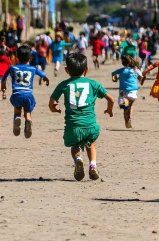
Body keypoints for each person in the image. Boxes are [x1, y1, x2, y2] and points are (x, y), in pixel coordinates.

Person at [49, 53, 116, 181]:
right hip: (90, 125)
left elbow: (51, 104)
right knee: (91, 145)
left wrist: (55, 109)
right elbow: (111, 99)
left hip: (72, 126)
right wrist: (109, 109)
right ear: (86, 70)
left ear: (67, 70)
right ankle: (93, 166)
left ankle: (78, 159)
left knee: (74, 146)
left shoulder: (64, 85)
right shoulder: (93, 84)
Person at [7, 45, 50, 139]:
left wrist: (3, 87)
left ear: (17, 58)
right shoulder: (33, 68)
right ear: (30, 58)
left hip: (16, 95)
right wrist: (46, 79)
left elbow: (3, 79)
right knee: (27, 111)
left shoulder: (12, 68)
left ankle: (17, 118)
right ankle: (28, 119)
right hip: (28, 95)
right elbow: (43, 75)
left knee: (17, 109)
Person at [111, 54, 144, 129]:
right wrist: (139, 80)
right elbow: (141, 76)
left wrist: (115, 79)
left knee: (124, 107)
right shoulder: (135, 70)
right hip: (133, 92)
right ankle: (129, 120)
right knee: (130, 105)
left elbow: (113, 74)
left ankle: (127, 121)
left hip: (123, 92)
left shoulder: (121, 70)